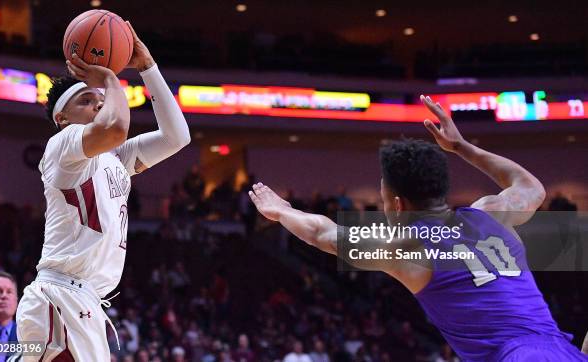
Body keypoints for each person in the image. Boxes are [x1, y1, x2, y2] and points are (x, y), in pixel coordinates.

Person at [248, 95, 588, 361]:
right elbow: (530, 188)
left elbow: (323, 234)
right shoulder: (491, 213)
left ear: (397, 206)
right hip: (561, 348)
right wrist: (461, 147)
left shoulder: (407, 247)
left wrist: (284, 211)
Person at [16, 21, 191, 361]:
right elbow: (114, 127)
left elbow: (177, 137)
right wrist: (110, 79)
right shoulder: (63, 145)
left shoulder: (115, 158)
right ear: (63, 118)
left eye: (100, 100)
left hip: (87, 302)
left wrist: (148, 68)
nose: (99, 104)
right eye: (86, 100)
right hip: (60, 295)